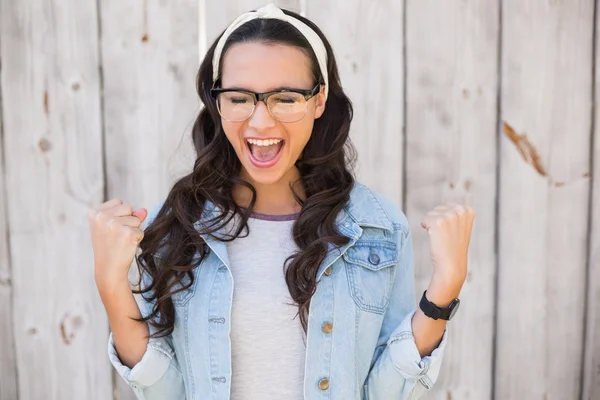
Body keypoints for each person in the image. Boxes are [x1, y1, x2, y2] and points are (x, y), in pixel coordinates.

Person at [88, 3, 474, 399]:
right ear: (217, 102)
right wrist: (111, 285)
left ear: (318, 100)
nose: (260, 122)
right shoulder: (173, 226)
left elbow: (384, 392)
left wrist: (444, 289)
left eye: (285, 98)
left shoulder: (377, 227)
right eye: (239, 98)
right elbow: (166, 393)